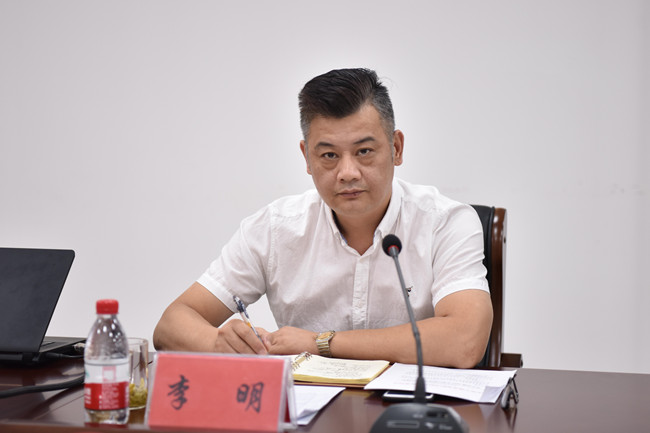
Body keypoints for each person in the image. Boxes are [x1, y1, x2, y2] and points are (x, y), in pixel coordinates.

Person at [153, 68, 492, 368]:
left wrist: (319, 343)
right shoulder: (275, 228)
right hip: (308, 410)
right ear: (307, 157)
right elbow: (171, 326)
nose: (347, 172)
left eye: (364, 151)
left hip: (413, 409)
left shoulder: (446, 223)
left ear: (396, 148)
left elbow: (464, 341)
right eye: (329, 155)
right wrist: (219, 344)